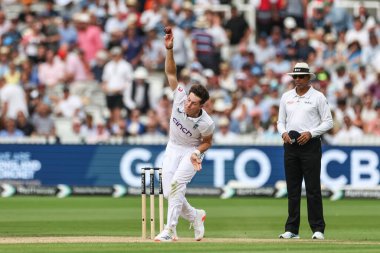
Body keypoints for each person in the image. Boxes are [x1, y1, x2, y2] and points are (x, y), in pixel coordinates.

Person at [154, 27, 215, 242]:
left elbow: (208, 141)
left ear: (202, 105)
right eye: (188, 100)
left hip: (190, 151)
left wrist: (198, 152)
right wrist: (169, 50)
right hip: (173, 146)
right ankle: (196, 215)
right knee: (169, 193)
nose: (188, 104)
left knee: (177, 185)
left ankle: (169, 230)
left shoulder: (206, 122)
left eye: (193, 103)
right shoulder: (180, 97)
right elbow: (171, 73)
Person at [277, 62, 333, 240]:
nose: (298, 80)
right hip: (291, 145)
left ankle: (318, 229)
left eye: (301, 76)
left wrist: (311, 133)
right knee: (292, 189)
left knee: (313, 188)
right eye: (295, 76)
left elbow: (328, 122)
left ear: (309, 78)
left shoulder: (318, 97)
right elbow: (280, 121)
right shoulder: (286, 96)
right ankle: (292, 229)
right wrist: (283, 133)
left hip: (310, 145)